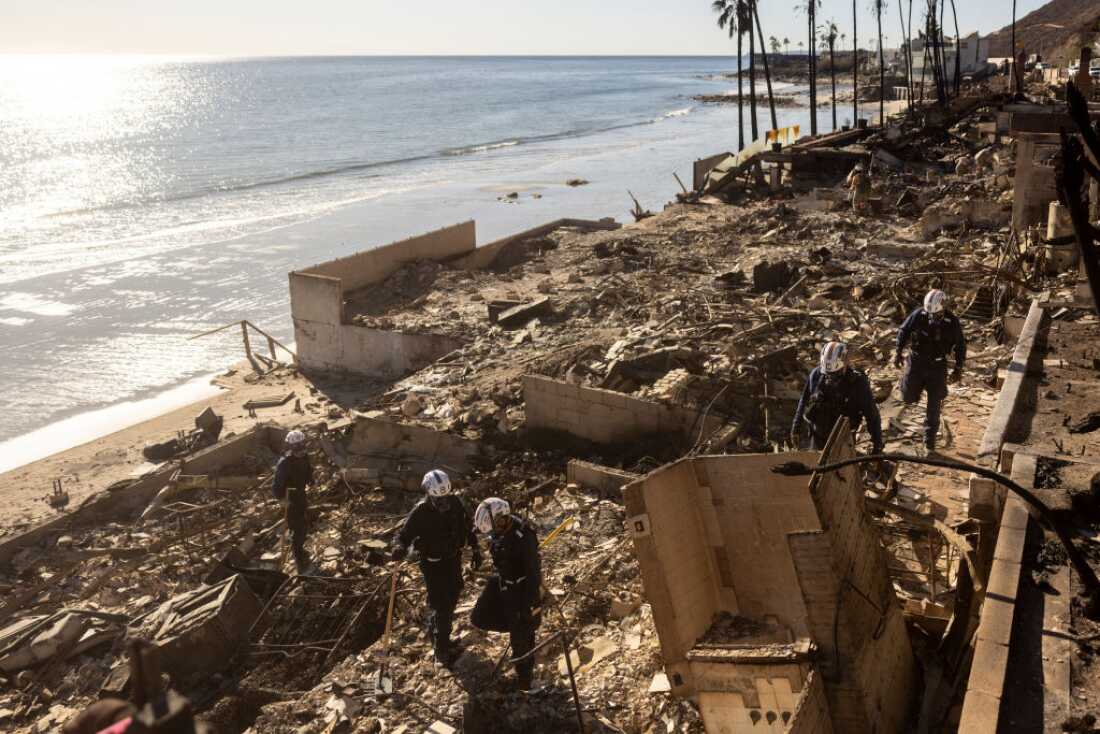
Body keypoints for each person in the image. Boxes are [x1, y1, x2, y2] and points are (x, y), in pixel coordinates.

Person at [392, 470, 481, 666]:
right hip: (432, 564)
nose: (444, 504)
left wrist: (475, 549)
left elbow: (467, 526)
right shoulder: (420, 512)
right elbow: (403, 535)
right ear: (429, 494)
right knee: (443, 606)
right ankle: (441, 649)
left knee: (455, 593)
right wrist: (399, 547)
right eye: (439, 500)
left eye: (445, 498)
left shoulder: (455, 503)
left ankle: (437, 633)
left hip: (453, 558)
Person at [470, 497, 542, 691]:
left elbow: (533, 574)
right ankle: (514, 627)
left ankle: (525, 680)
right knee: (479, 617)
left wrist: (531, 603)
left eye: (494, 529)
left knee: (522, 637)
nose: (493, 533)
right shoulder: (501, 531)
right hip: (503, 581)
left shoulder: (523, 537)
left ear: (502, 519)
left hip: (521, 590)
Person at [895, 289, 966, 455]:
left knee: (934, 406)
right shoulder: (919, 315)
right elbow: (903, 331)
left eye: (936, 314)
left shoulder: (952, 322)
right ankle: (905, 384)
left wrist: (958, 367)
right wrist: (898, 351)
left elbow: (960, 346)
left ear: (943, 308)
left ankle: (929, 442)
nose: (932, 317)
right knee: (908, 397)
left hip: (937, 367)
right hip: (917, 362)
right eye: (930, 314)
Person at [792, 341, 884, 454]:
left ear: (845, 363)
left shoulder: (858, 383)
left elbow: (872, 415)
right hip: (817, 438)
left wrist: (877, 444)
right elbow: (804, 400)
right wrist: (796, 427)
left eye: (835, 374)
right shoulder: (816, 375)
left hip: (843, 440)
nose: (831, 378)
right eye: (828, 374)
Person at [272, 430, 314, 574]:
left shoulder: (305, 456)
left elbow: (308, 470)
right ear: (291, 447)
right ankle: (298, 557)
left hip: (301, 495)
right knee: (298, 528)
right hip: (290, 499)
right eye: (298, 449)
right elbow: (276, 485)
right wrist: (281, 500)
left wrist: (311, 481)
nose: (301, 452)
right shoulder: (284, 463)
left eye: (302, 448)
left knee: (304, 524)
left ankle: (300, 548)